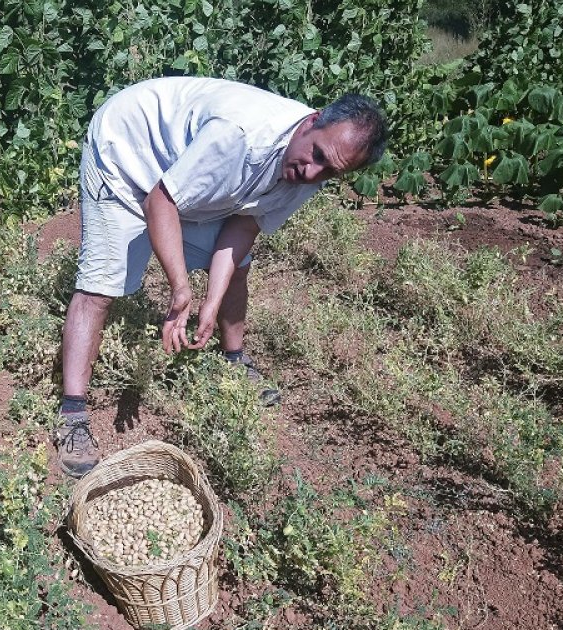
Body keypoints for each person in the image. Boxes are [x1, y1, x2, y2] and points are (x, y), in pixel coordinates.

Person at [55, 76, 388, 478]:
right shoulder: (241, 135)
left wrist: (209, 303)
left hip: (178, 178)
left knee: (238, 265)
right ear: (311, 122)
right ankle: (72, 414)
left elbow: (244, 225)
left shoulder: (315, 167)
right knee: (101, 287)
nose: (311, 170)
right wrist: (181, 289)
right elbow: (161, 200)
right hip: (128, 152)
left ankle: (234, 359)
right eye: (315, 153)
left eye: (328, 170)